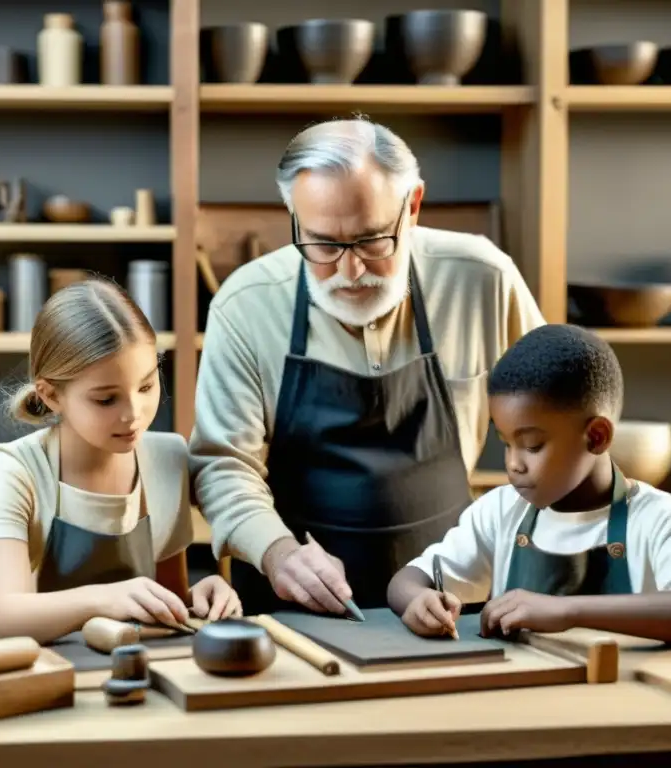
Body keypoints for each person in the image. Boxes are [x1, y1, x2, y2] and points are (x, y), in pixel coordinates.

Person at [190, 117, 545, 616]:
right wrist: (279, 554)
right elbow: (222, 465)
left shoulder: (482, 279)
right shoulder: (245, 305)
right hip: (291, 610)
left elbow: (554, 423)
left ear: (413, 206)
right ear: (293, 216)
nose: (349, 272)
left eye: (372, 240)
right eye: (323, 244)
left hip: (451, 603)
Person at [387, 324, 671, 645]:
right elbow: (405, 581)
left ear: (596, 437)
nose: (513, 463)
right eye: (506, 443)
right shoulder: (501, 511)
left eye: (533, 446)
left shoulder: (656, 517)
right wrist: (419, 601)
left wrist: (566, 610)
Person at [0, 279, 241, 644]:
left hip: (134, 680)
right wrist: (105, 598)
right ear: (51, 395)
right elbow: (6, 618)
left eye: (146, 387)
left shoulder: (169, 458)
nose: (134, 414)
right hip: (39, 681)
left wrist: (197, 599)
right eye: (106, 400)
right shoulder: (13, 470)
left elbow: (165, 606)